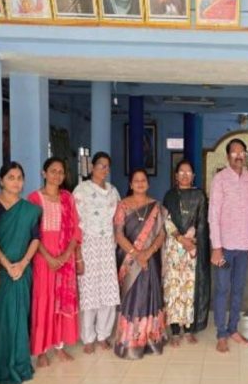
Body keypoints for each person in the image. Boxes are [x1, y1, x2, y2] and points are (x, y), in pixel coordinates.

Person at [28, 157, 81, 367]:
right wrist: (49, 257)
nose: (57, 175)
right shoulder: (34, 198)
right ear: (44, 173)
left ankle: (59, 346)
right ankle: (41, 350)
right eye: (53, 171)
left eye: (61, 172)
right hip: (43, 258)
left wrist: (67, 255)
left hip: (65, 258)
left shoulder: (68, 198)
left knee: (61, 300)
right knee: (44, 300)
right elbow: (32, 233)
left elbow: (76, 229)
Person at [0, 162, 41, 384]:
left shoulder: (30, 210)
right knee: (1, 318)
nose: (16, 182)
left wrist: (22, 264)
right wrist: (6, 265)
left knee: (21, 316)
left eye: (20, 178)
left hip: (23, 270)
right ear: (1, 180)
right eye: (11, 177)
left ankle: (20, 364)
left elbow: (35, 238)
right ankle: (0, 367)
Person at [208, 138, 248, 353]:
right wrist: (216, 247)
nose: (238, 155)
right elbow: (213, 214)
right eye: (234, 152)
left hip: (244, 247)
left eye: (241, 152)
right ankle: (221, 333)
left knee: (238, 289)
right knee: (222, 289)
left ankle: (233, 328)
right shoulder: (220, 179)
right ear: (228, 156)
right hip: (225, 247)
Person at [113, 169, 167, 360]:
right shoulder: (123, 206)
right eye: (136, 180)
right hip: (129, 261)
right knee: (132, 297)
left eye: (143, 180)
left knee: (150, 295)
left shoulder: (156, 207)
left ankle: (151, 339)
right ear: (130, 184)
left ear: (148, 184)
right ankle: (130, 342)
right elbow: (119, 235)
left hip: (151, 259)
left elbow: (161, 234)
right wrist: (137, 255)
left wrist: (148, 253)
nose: (140, 183)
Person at [73, 152, 120, 354]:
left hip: (107, 246)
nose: (104, 169)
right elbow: (75, 223)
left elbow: (118, 219)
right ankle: (88, 337)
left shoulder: (113, 191)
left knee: (108, 292)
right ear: (92, 167)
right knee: (89, 291)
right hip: (88, 245)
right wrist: (78, 254)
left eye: (107, 166)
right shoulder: (81, 190)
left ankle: (103, 335)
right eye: (101, 165)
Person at [163, 159, 210, 345]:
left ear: (193, 176)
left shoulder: (199, 195)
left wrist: (192, 240)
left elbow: (202, 221)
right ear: (176, 176)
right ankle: (175, 331)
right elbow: (166, 220)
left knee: (189, 288)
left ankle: (189, 328)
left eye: (188, 172)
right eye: (181, 172)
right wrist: (180, 238)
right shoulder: (169, 196)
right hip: (174, 248)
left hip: (193, 248)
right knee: (174, 288)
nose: (184, 175)